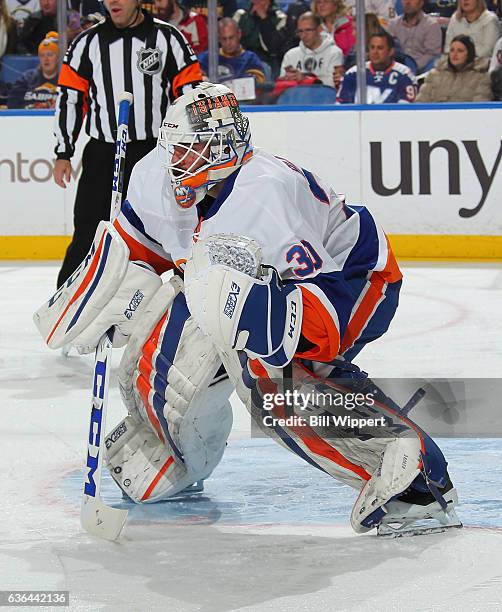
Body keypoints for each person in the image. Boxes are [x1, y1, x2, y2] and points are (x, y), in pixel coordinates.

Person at [36, 82, 461, 537]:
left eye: (189, 150)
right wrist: (106, 287)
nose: (174, 162)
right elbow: (142, 246)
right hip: (242, 281)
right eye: (173, 149)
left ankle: (414, 482)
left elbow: (318, 318)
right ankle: (173, 454)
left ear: (221, 149)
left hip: (349, 284)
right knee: (167, 353)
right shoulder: (159, 174)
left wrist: (259, 328)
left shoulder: (263, 195)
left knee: (272, 376)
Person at [53, 0, 202, 289]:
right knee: (89, 233)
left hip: (155, 154)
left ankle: (190, 300)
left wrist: (191, 145)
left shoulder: (168, 39)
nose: (113, 1)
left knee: (173, 229)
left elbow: (190, 94)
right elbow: (70, 98)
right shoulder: (87, 43)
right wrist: (64, 151)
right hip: (102, 155)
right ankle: (70, 304)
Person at [338, 30, 417, 103]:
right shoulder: (353, 73)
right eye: (372, 47)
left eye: (380, 48)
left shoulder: (404, 75)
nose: (375, 52)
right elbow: (341, 106)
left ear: (391, 51)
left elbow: (406, 110)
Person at [416, 34, 492, 101]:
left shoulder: (481, 77)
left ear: (469, 54)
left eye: (460, 51)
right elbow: (420, 103)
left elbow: (480, 108)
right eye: (452, 50)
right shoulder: (434, 74)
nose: (454, 54)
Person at [277, 11, 343, 88]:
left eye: (308, 30)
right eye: (300, 31)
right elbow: (281, 87)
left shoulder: (334, 53)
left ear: (319, 29)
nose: (304, 35)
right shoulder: (290, 55)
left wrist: (304, 79)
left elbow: (332, 85)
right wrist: (287, 79)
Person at [198, 18, 265, 84]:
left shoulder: (251, 59)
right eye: (224, 39)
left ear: (239, 34)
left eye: (231, 38)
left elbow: (259, 84)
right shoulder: (207, 58)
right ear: (218, 38)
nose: (228, 43)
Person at [233, 0, 288, 78]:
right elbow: (230, 40)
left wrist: (265, 19)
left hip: (268, 58)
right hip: (240, 56)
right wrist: (249, 16)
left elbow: (274, 47)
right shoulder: (241, 14)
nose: (257, 2)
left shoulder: (280, 17)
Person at [387, 0, 442, 74]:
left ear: (421, 2)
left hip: (421, 71)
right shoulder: (393, 24)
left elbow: (432, 54)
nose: (407, 2)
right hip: (395, 70)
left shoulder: (431, 25)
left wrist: (411, 67)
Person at [7, 30, 58, 108]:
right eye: (42, 55)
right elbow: (12, 104)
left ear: (58, 58)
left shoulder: (65, 79)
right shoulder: (27, 78)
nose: (46, 59)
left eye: (50, 55)